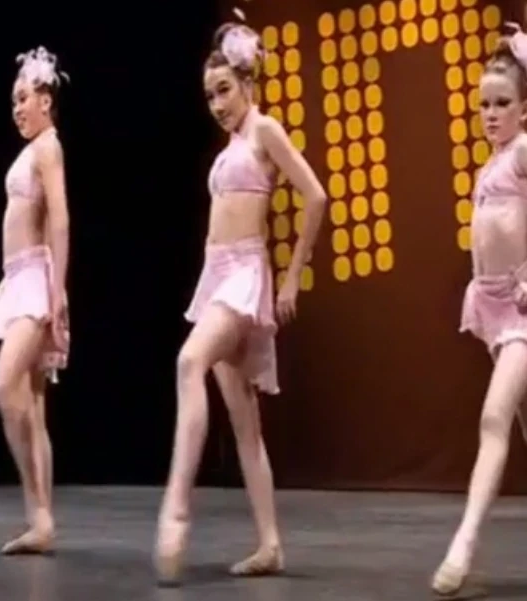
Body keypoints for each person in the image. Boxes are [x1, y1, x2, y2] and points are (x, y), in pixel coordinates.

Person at [154, 18, 328, 585]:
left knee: (188, 360)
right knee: (245, 424)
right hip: (219, 274)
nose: (217, 104)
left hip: (245, 276)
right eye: (210, 96)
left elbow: (316, 196)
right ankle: (270, 544)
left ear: (248, 83)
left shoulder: (264, 130)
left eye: (224, 90)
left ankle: (177, 507)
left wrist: (292, 278)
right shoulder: (233, 145)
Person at [431, 23, 527, 596]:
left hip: (524, 311)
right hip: (495, 306)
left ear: (524, 108)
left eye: (501, 104)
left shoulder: (525, 150)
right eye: (484, 105)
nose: (491, 114)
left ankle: (463, 545)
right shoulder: (493, 163)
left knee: (494, 417)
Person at [0, 45, 70, 555]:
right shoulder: (34, 149)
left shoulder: (47, 147)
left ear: (45, 100)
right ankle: (41, 520)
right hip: (17, 279)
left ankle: (39, 515)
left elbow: (60, 218)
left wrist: (57, 295)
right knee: (33, 408)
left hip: (36, 279)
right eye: (13, 101)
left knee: (5, 382)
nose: (17, 108)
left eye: (23, 98)